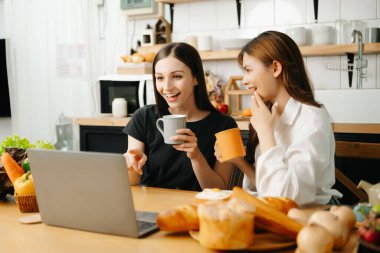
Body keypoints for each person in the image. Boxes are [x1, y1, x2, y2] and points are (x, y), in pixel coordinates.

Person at [214, 31, 342, 205]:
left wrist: (266, 133)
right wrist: (238, 161)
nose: (244, 80)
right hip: (272, 207)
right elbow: (269, 185)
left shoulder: (312, 119)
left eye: (248, 70)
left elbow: (289, 196)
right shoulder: (269, 113)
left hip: (312, 213)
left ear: (275, 68)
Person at [123, 42, 237, 191]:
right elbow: (133, 182)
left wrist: (196, 156)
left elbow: (221, 189)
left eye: (177, 76)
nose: (167, 87)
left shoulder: (225, 126)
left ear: (196, 78)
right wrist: (131, 163)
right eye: (160, 78)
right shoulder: (143, 117)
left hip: (199, 210)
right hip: (152, 208)